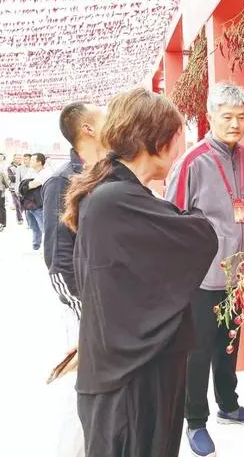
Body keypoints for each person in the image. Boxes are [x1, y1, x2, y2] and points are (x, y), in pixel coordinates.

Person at [61, 88, 219, 457]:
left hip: (132, 374)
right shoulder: (115, 200)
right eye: (180, 136)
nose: (182, 148)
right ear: (159, 140)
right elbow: (201, 236)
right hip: (131, 385)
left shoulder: (114, 192)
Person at [166, 82, 244, 457]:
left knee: (229, 344)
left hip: (238, 273)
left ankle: (229, 405)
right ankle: (195, 422)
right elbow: (172, 218)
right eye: (227, 117)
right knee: (199, 350)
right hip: (203, 276)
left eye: (242, 117)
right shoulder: (192, 162)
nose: (236, 124)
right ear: (210, 117)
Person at [42, 102, 106, 331]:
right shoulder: (62, 182)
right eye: (105, 118)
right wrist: (87, 315)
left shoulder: (109, 172)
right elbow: (58, 260)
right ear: (89, 129)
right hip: (86, 312)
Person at [20, 152, 49, 249]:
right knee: (33, 227)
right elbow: (22, 184)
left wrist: (26, 184)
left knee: (44, 228)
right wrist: (26, 184)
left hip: (39, 205)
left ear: (39, 162)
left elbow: (31, 185)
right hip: (29, 204)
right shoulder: (31, 171)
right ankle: (36, 245)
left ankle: (48, 247)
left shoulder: (46, 172)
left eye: (32, 160)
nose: (30, 161)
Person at [7, 154, 25, 225]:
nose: (19, 159)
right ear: (13, 159)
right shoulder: (10, 167)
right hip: (13, 188)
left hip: (22, 188)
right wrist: (20, 176)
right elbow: (12, 178)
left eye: (20, 158)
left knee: (23, 203)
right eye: (17, 158)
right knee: (17, 204)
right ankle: (19, 219)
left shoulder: (23, 167)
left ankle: (21, 215)